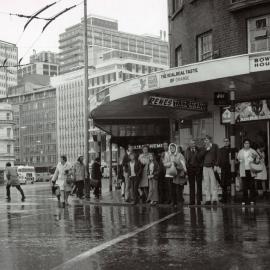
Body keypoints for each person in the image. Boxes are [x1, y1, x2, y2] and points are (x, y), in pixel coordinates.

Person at [237, 139, 258, 206]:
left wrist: (254, 159)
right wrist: (240, 160)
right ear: (243, 144)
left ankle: (252, 200)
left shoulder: (253, 151)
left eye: (248, 143)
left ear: (250, 144)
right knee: (244, 186)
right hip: (243, 170)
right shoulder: (240, 151)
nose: (247, 144)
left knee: (252, 186)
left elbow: (257, 159)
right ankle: (245, 200)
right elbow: (238, 158)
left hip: (251, 170)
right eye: (245, 143)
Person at [201, 135, 219, 205]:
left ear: (210, 140)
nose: (205, 141)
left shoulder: (215, 146)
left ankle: (214, 199)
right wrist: (206, 150)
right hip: (205, 167)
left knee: (213, 183)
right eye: (205, 140)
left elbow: (218, 156)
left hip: (212, 167)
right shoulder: (203, 147)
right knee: (206, 184)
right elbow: (200, 156)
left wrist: (216, 165)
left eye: (207, 140)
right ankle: (208, 199)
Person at [185, 139, 203, 205]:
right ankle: (192, 201)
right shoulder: (187, 150)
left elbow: (201, 159)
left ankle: (199, 200)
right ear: (189, 144)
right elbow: (186, 160)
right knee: (191, 185)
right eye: (191, 143)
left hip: (198, 169)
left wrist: (200, 166)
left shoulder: (199, 149)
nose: (193, 144)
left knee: (199, 185)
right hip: (190, 169)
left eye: (194, 143)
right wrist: (186, 170)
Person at [217, 138, 232, 203]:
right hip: (223, 169)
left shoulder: (232, 149)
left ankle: (232, 197)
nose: (226, 142)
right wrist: (219, 166)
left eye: (227, 141)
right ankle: (224, 198)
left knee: (231, 183)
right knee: (224, 184)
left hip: (231, 169)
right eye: (225, 141)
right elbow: (219, 159)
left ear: (230, 142)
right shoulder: (221, 150)